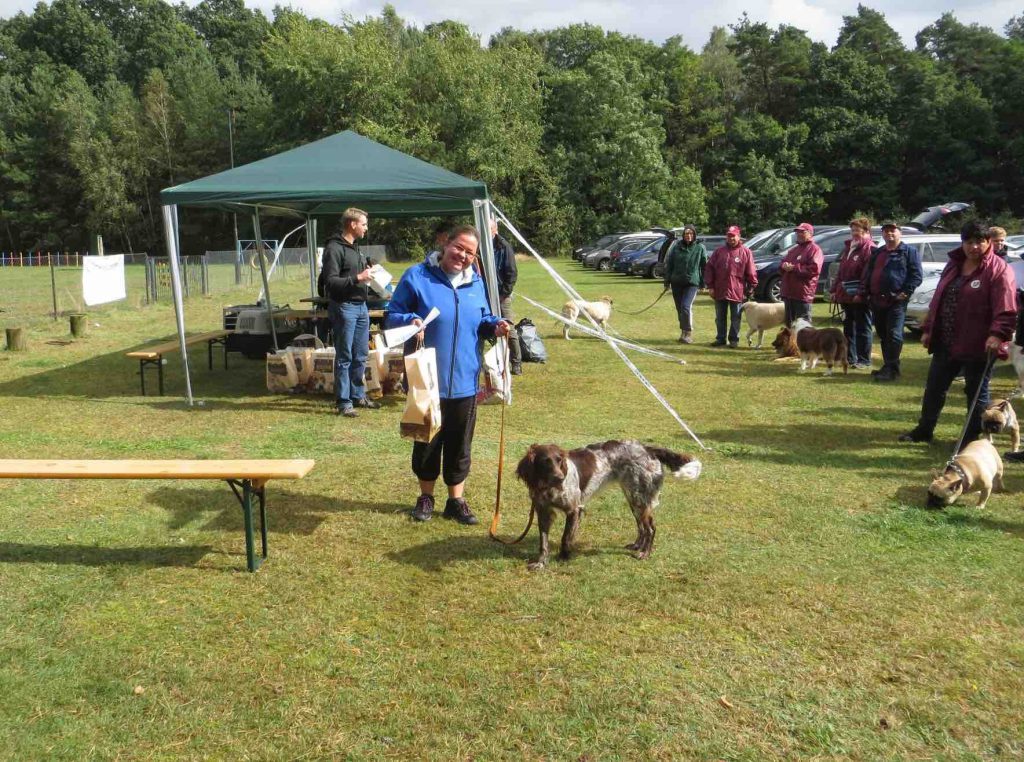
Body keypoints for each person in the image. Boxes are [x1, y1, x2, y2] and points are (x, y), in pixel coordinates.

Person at [385, 225, 511, 525]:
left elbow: (482, 318)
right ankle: (426, 497)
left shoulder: (475, 282)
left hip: (465, 379)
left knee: (460, 443)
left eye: (470, 253)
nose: (463, 256)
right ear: (445, 243)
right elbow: (392, 315)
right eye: (459, 247)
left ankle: (456, 500)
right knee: (427, 442)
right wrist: (410, 319)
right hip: (426, 380)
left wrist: (495, 325)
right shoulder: (417, 276)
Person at [899, 221, 1016, 445]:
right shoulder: (954, 264)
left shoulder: (999, 269)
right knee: (934, 388)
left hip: (980, 343)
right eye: (969, 242)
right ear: (962, 243)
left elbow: (1006, 307)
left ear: (988, 242)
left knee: (976, 392)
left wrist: (997, 334)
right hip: (947, 340)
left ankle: (970, 437)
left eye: (979, 242)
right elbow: (939, 299)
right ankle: (924, 430)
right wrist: (929, 328)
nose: (974, 247)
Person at [321, 207, 379, 417]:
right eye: (364, 224)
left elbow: (359, 274)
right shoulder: (334, 248)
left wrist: (370, 271)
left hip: (361, 307)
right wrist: (358, 278)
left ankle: (358, 395)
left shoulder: (356, 248)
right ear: (352, 224)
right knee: (345, 356)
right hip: (344, 307)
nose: (366, 228)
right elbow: (330, 282)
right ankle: (344, 402)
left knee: (361, 355)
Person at [858, 221, 923, 382]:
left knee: (894, 335)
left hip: (896, 301)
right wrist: (866, 292)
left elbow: (916, 275)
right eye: (886, 231)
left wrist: (905, 292)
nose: (889, 233)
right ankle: (890, 366)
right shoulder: (878, 252)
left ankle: (890, 368)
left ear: (900, 232)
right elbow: (869, 273)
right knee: (883, 334)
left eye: (893, 230)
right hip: (876, 300)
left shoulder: (908, 252)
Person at [829, 217, 875, 369]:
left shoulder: (869, 248)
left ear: (866, 231)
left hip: (860, 296)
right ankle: (850, 357)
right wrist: (834, 290)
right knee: (849, 328)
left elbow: (867, 275)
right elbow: (841, 272)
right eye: (852, 230)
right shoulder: (849, 247)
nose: (854, 233)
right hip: (846, 295)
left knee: (863, 328)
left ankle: (864, 360)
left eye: (857, 230)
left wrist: (861, 293)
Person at [704, 225, 757, 348]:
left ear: (739, 236)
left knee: (736, 317)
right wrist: (710, 286)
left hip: (737, 290)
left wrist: (751, 287)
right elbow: (709, 268)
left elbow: (751, 271)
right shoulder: (719, 252)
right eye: (729, 236)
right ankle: (720, 338)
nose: (731, 238)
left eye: (733, 236)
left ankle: (734, 340)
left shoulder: (746, 252)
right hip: (720, 289)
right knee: (720, 317)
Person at [662, 225, 707, 344]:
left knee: (685, 307)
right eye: (687, 233)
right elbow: (670, 265)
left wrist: (703, 283)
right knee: (680, 309)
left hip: (691, 283)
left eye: (691, 233)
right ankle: (683, 331)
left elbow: (704, 266)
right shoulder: (676, 247)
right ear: (683, 235)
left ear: (694, 235)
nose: (689, 235)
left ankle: (688, 332)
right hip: (676, 282)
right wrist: (667, 282)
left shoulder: (700, 248)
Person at [490, 218, 522, 375]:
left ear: (495, 230)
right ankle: (494, 362)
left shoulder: (504, 246)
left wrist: (504, 294)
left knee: (509, 328)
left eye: (488, 229)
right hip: (485, 293)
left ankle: (516, 363)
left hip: (502, 295)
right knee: (488, 327)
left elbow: (512, 273)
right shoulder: (479, 246)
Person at [779, 222, 824, 326]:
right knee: (789, 326)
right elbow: (782, 263)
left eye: (802, 232)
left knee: (803, 326)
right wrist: (783, 266)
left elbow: (814, 269)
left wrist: (794, 268)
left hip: (803, 294)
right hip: (789, 293)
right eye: (797, 232)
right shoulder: (794, 250)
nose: (799, 234)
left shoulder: (815, 249)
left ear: (810, 233)